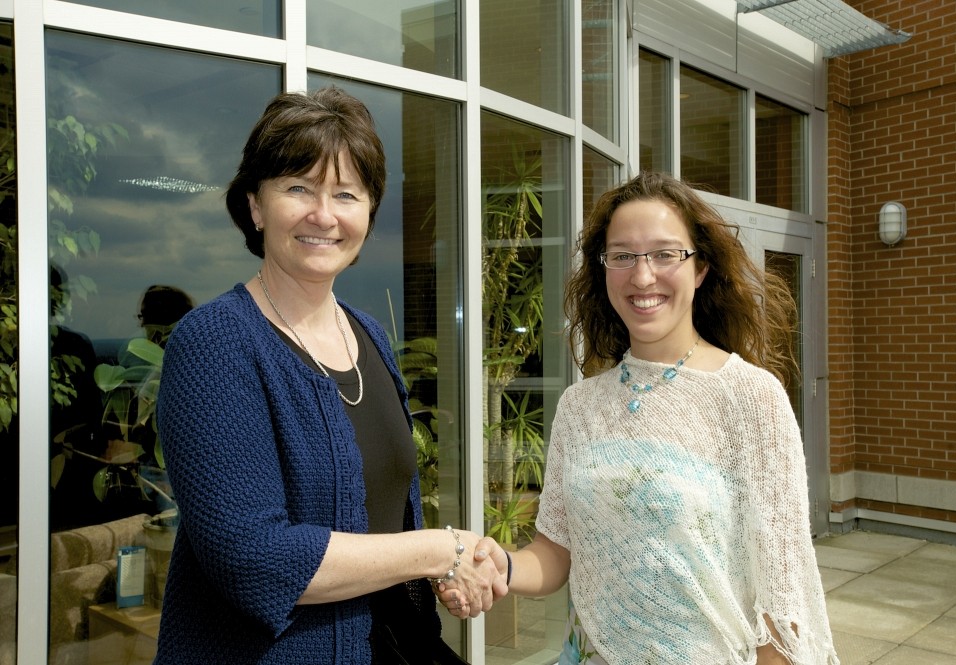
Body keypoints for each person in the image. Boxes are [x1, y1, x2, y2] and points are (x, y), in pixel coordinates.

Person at [154, 86, 505, 665]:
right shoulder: (215, 344)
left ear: (368, 210)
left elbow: (383, 512)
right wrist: (439, 549)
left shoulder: (367, 334)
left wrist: (446, 573)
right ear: (255, 205)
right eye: (298, 188)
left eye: (346, 193)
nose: (324, 214)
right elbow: (251, 556)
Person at [441, 172, 839, 664]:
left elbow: (784, 595)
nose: (642, 275)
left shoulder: (751, 398)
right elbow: (553, 555)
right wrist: (494, 564)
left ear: (700, 268)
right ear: (603, 269)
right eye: (623, 256)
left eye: (665, 254)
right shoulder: (579, 407)